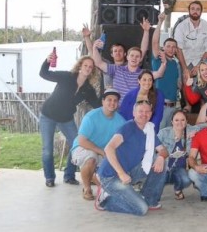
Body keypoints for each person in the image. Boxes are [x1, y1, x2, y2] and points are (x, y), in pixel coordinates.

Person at [95, 100, 169, 215]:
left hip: (130, 171)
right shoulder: (128, 127)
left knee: (161, 163)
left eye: (147, 111)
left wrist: (161, 157)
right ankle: (105, 200)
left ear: (151, 113)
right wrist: (121, 173)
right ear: (134, 113)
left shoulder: (149, 129)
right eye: (140, 111)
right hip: (111, 176)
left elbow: (163, 150)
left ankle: (149, 199)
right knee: (141, 209)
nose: (144, 114)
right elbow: (109, 148)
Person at [40, 53, 101, 187]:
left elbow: (97, 105)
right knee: (47, 149)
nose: (88, 68)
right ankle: (49, 178)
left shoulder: (88, 89)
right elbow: (44, 74)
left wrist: (108, 96)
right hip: (48, 115)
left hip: (66, 118)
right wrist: (47, 61)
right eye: (85, 65)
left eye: (90, 67)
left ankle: (69, 176)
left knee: (77, 145)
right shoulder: (66, 77)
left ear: (92, 71)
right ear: (80, 66)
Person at [70, 89, 126, 200]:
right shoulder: (91, 117)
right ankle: (87, 188)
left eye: (115, 100)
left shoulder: (121, 121)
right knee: (91, 159)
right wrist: (102, 152)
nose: (112, 103)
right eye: (109, 100)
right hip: (83, 147)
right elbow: (82, 140)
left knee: (113, 174)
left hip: (104, 150)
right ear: (103, 101)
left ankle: (94, 178)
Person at [158, 109, 206, 201]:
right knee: (155, 188)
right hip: (164, 167)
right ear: (172, 122)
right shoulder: (163, 133)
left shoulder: (190, 130)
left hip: (179, 168)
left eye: (183, 120)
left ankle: (178, 189)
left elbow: (204, 126)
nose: (179, 122)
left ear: (187, 121)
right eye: (176, 120)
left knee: (186, 180)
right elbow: (153, 147)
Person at [92, 38, 165, 97]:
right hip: (118, 110)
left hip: (135, 111)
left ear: (140, 59)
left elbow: (159, 74)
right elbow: (99, 63)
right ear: (127, 57)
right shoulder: (116, 69)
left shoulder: (143, 73)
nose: (134, 58)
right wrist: (94, 48)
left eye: (137, 56)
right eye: (132, 56)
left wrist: (164, 63)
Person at [151, 13, 182, 129]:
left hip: (173, 107)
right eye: (168, 46)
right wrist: (160, 22)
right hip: (160, 105)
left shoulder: (176, 64)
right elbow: (154, 42)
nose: (171, 49)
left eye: (174, 47)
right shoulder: (158, 58)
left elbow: (179, 85)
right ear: (163, 47)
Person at [172, 0, 207, 77]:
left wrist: (199, 66)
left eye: (198, 9)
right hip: (184, 62)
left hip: (201, 62)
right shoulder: (181, 26)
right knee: (184, 85)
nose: (195, 11)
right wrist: (185, 69)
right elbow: (178, 49)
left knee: (201, 86)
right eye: (193, 9)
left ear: (201, 12)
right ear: (189, 11)